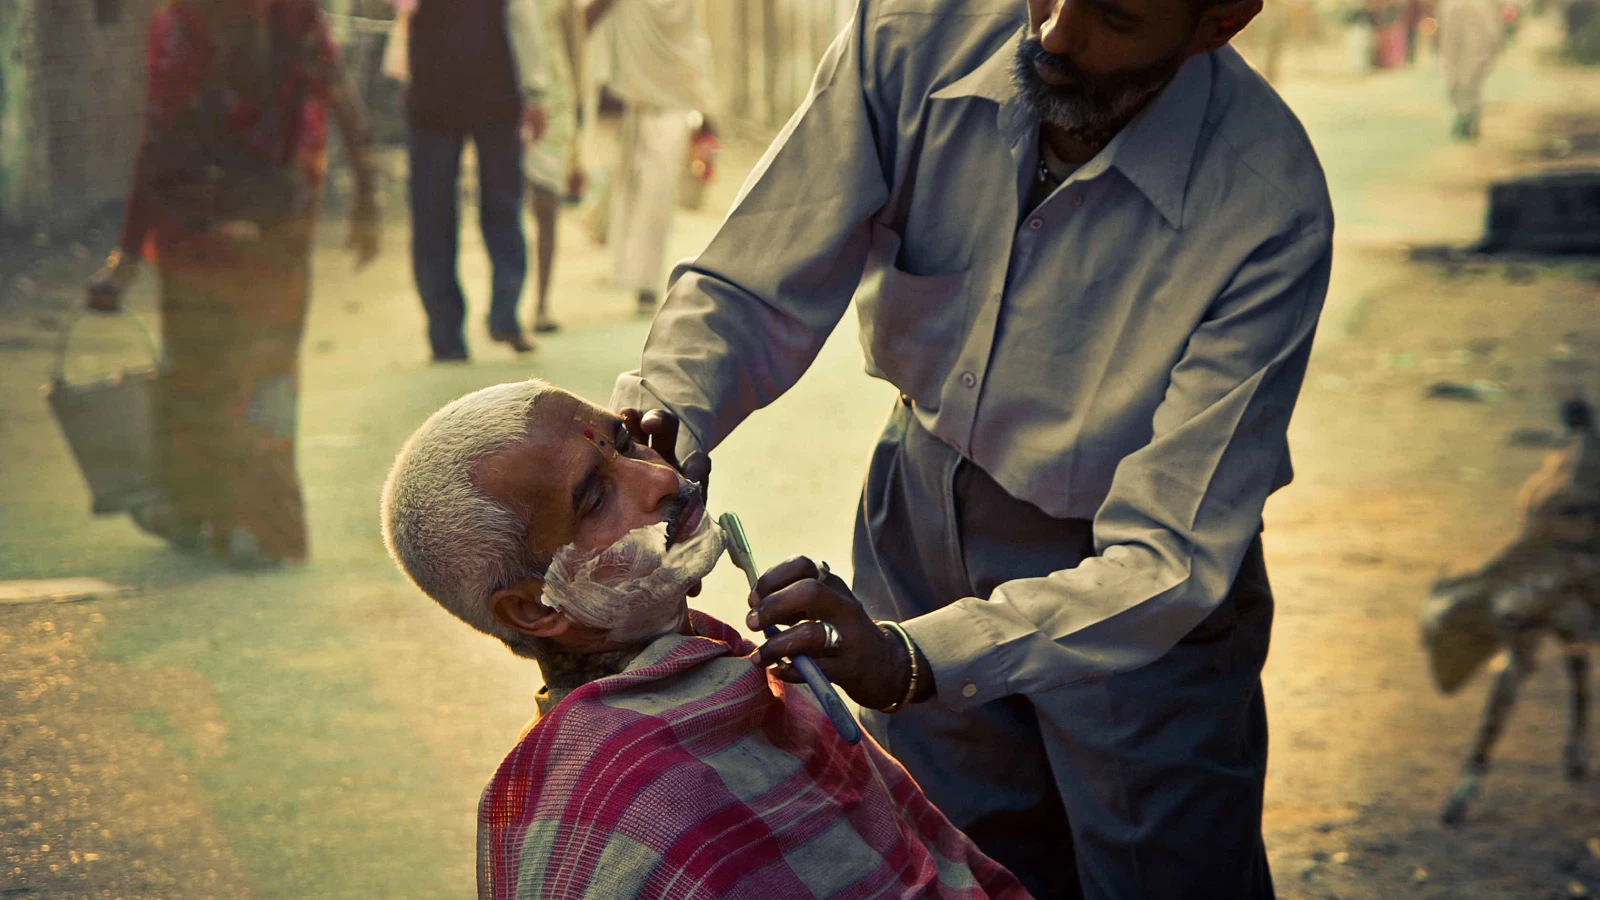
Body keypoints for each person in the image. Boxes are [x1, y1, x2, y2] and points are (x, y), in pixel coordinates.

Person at [611, 0, 1336, 894]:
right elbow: (756, 282)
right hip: (918, 509)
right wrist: (656, 435)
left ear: (1221, 19)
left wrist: (917, 659)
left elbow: (1168, 560)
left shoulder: (1267, 205)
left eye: (1117, 14)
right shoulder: (912, 32)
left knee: (1159, 867)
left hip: (1134, 602)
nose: (1057, 33)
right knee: (957, 858)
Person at [379, 379, 1031, 900]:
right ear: (534, 608)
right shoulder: (604, 822)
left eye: (628, 443)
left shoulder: (735, 672)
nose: (660, 477)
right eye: (596, 497)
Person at [86, 0, 380, 569]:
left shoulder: (180, 25)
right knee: (265, 378)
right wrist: (366, 194)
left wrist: (127, 254)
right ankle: (258, 529)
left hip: (199, 231)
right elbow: (339, 94)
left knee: (201, 375)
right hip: (275, 229)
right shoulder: (292, 14)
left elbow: (161, 135)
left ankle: (206, 516)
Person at [405, 0, 548, 360]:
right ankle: (502, 315)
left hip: (441, 90)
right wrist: (535, 89)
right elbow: (523, 17)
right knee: (499, 207)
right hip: (483, 90)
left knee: (434, 215)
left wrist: (534, 90)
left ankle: (448, 334)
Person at [585, 0, 714, 313]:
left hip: (672, 104)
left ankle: (646, 284)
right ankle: (633, 274)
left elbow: (693, 42)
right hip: (639, 103)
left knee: (655, 195)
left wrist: (708, 107)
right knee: (632, 189)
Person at [519, 0, 586, 334]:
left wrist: (580, 122)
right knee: (503, 209)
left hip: (556, 101)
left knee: (546, 206)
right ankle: (505, 303)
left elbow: (576, 49)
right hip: (506, 99)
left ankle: (541, 303)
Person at [1437, 0, 1505, 140]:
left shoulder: (1450, 4)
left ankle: (1464, 117)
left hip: (1460, 53)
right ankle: (1468, 118)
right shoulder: (1482, 4)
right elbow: (1493, 30)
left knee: (1459, 83)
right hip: (1473, 52)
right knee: (1470, 84)